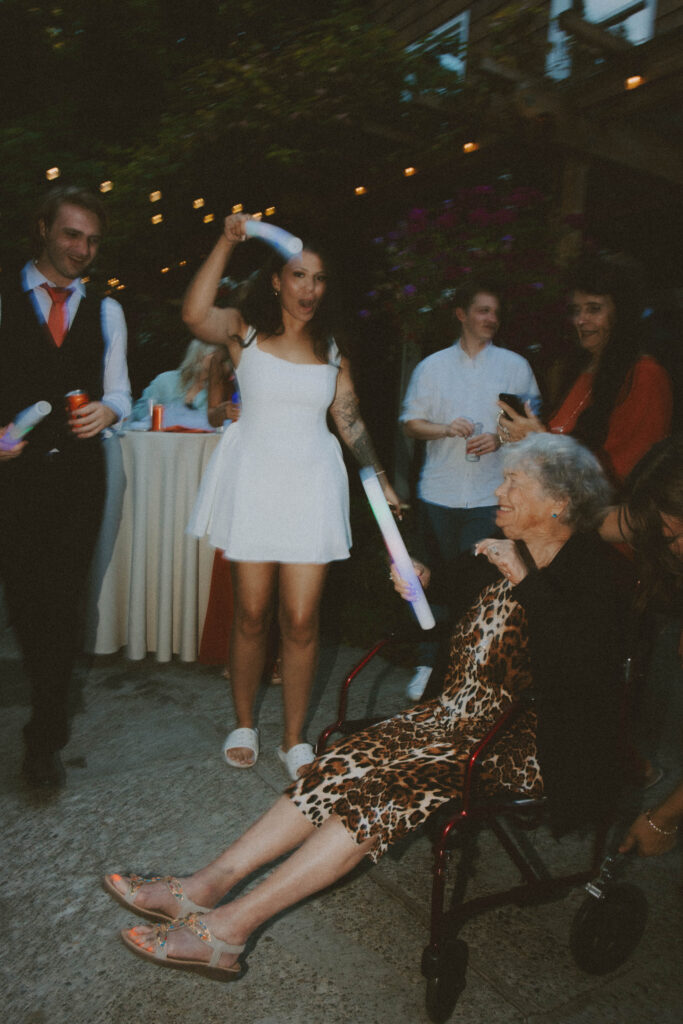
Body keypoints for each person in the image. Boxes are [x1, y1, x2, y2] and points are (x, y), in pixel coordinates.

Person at [104, 433, 628, 979]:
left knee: (382, 792)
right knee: (339, 763)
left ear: (560, 502)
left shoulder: (594, 574)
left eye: (513, 483)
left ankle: (229, 931)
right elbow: (439, 594)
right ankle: (205, 884)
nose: (498, 490)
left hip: (522, 743)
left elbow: (585, 668)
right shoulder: (496, 549)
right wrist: (418, 579)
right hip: (448, 721)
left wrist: (523, 580)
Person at [183, 213, 402, 780]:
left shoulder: (332, 349)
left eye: (319, 279)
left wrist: (379, 476)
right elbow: (193, 313)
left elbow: (348, 420)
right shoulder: (243, 331)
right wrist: (224, 243)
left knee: (301, 618)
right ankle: (242, 721)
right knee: (253, 613)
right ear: (277, 280)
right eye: (298, 275)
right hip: (254, 479)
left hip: (311, 485)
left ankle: (295, 737)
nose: (309, 289)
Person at [0, 184, 131, 788]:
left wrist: (107, 412)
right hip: (15, 475)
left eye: (93, 240)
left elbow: (122, 393)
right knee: (27, 600)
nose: (82, 249)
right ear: (44, 229)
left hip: (81, 476)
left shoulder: (106, 310)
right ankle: (48, 693)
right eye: (72, 234)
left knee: (65, 599)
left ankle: (44, 736)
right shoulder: (5, 299)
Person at [399, 278, 540, 699]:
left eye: (495, 312)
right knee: (434, 580)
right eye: (482, 311)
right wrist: (444, 428)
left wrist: (500, 439)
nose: (491, 319)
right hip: (439, 493)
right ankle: (429, 663)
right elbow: (410, 422)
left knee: (480, 588)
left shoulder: (515, 366)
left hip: (489, 496)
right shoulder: (432, 367)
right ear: (461, 315)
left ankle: (472, 670)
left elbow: (532, 427)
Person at [498, 254, 673, 486]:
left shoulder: (645, 376)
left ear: (622, 313)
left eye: (594, 309)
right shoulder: (582, 369)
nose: (581, 320)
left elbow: (627, 473)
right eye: (576, 310)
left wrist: (538, 441)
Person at [600, 437, 683, 857]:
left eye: (668, 532)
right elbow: (606, 520)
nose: (670, 545)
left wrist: (663, 818)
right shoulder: (663, 520)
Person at [131, 338, 234, 426]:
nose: (219, 362)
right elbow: (137, 412)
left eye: (224, 359)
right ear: (199, 355)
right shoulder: (165, 380)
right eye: (214, 355)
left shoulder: (218, 393)